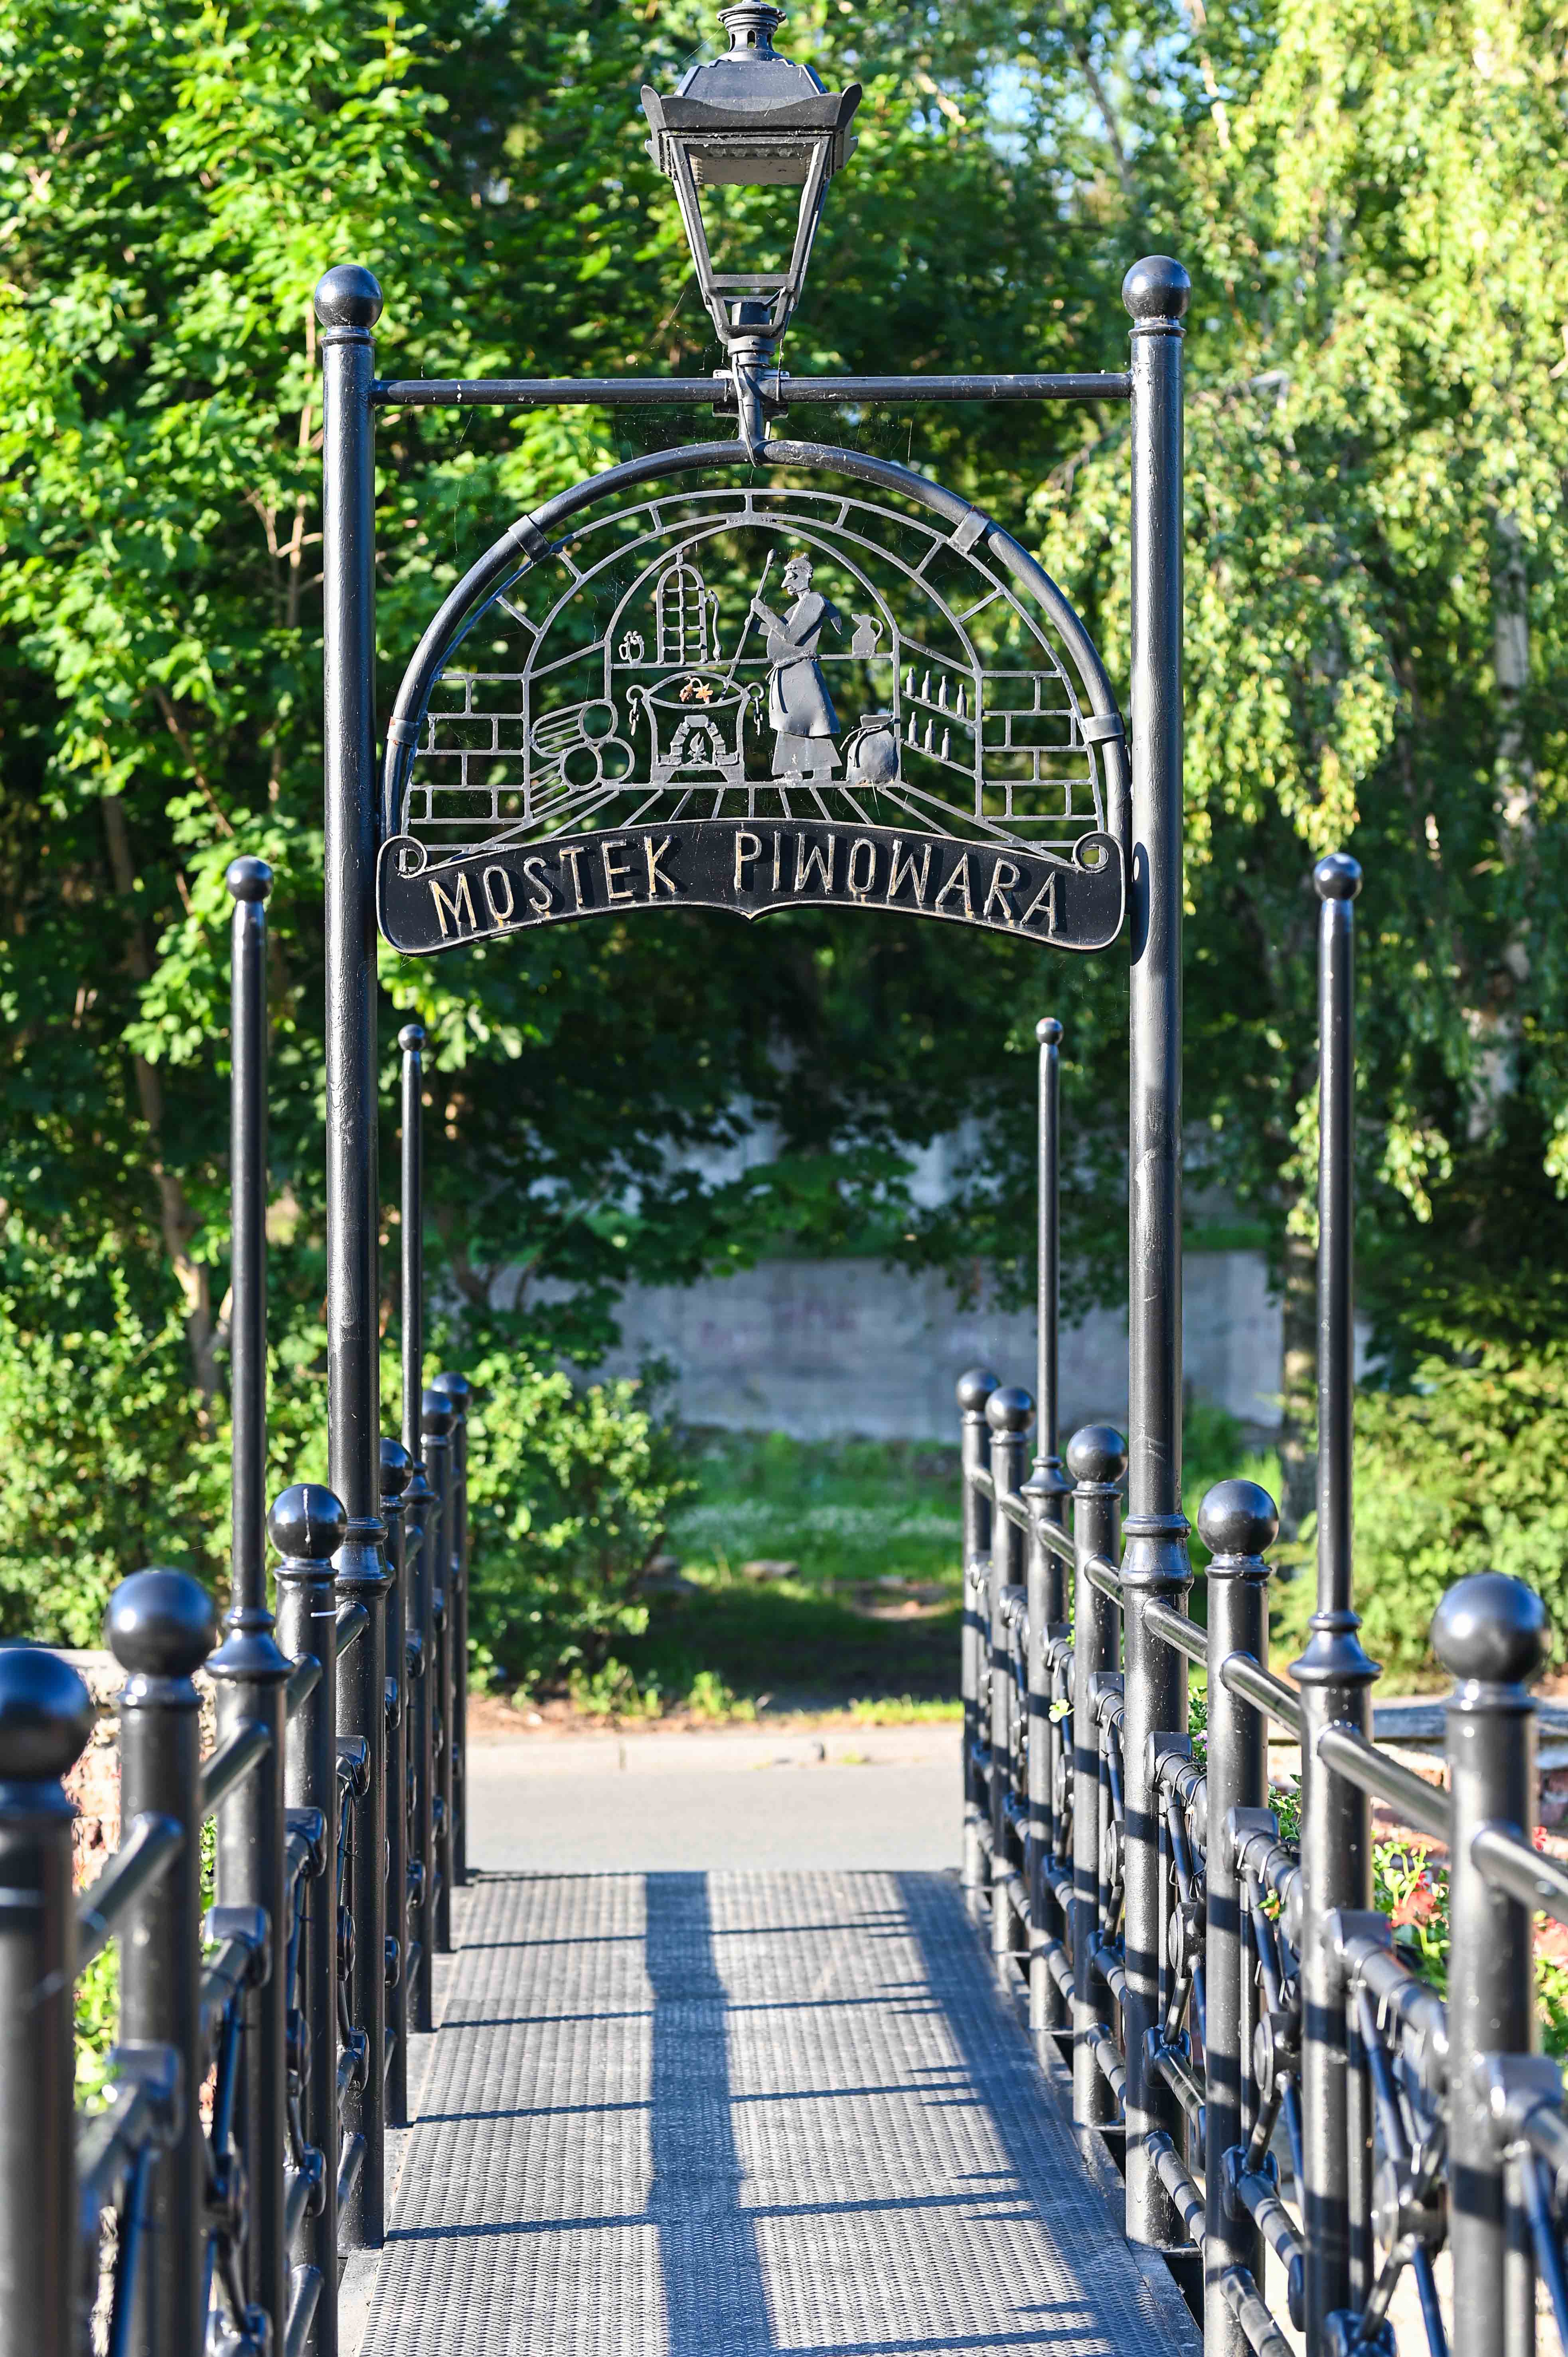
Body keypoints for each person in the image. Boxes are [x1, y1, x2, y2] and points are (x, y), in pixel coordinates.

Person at [751, 556, 843, 781]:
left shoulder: (814, 601)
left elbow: (791, 636)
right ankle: (793, 773)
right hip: (790, 672)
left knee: (810, 723)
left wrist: (764, 611)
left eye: (792, 577)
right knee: (791, 724)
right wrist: (756, 626)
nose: (786, 584)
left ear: (805, 576)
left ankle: (821, 773)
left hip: (800, 672)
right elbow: (781, 633)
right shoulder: (800, 604)